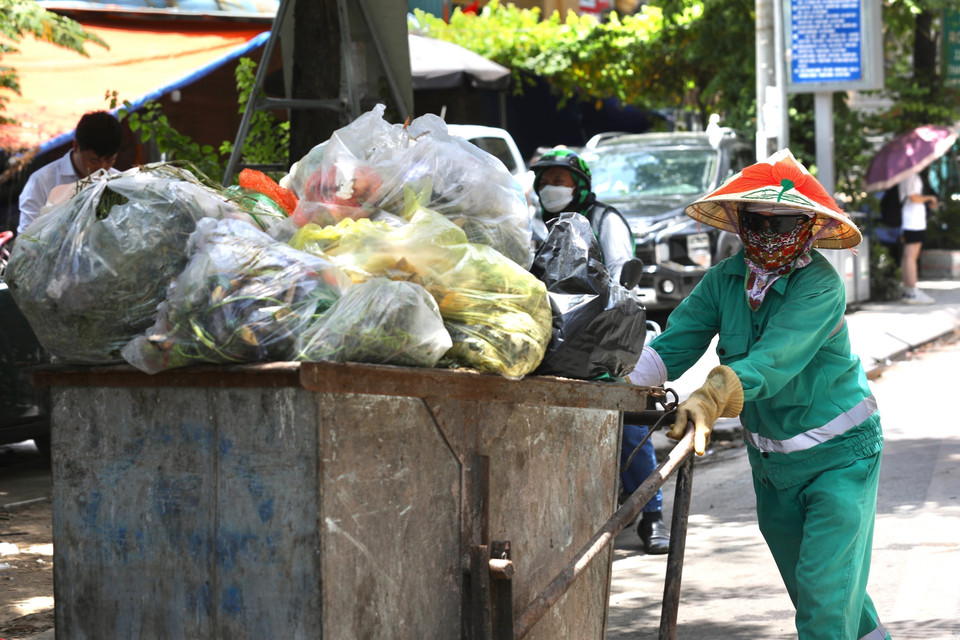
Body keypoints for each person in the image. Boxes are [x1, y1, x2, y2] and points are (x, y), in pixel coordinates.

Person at [629, 149, 891, 639]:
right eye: (758, 221)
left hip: (841, 461)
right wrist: (612, 380)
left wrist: (710, 396)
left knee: (823, 604)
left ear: (809, 225)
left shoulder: (820, 287)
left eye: (784, 221)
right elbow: (673, 345)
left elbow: (773, 361)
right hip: (772, 467)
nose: (770, 232)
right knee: (830, 595)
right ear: (741, 222)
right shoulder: (723, 280)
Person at [531, 148, 669, 554]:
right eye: (544, 181)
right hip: (552, 337)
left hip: (601, 338)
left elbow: (622, 280)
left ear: (581, 185)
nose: (550, 188)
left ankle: (653, 515)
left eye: (560, 180)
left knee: (625, 420)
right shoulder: (537, 226)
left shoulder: (605, 221)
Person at [17, 110, 123, 234]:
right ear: (76, 146)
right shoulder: (41, 182)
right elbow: (26, 237)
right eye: (94, 161)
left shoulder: (118, 182)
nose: (102, 169)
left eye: (110, 161)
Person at [897, 170, 938, 304]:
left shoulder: (905, 175)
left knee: (908, 256)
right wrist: (930, 198)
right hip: (913, 222)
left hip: (911, 221)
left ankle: (908, 290)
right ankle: (912, 291)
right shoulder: (911, 176)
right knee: (911, 256)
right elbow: (913, 197)